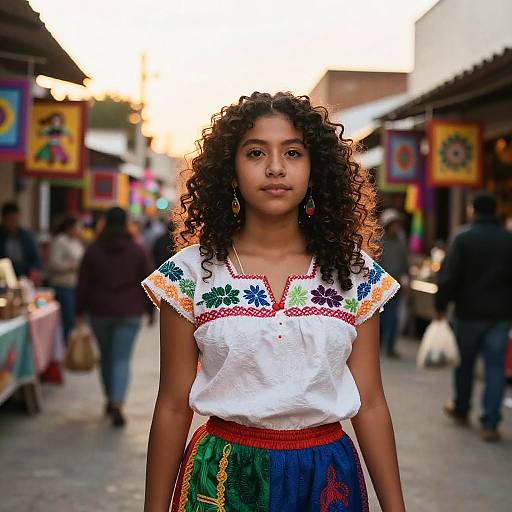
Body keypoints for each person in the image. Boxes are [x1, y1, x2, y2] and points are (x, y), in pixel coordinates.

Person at [142, 92, 406, 511]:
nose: (276, 167)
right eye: (255, 153)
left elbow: (370, 401)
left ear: (315, 168)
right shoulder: (191, 274)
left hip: (326, 479)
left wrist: (396, 508)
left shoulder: (353, 274)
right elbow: (173, 405)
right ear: (229, 169)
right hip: (224, 478)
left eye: (294, 152)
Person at [436, 191, 512, 442]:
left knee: (464, 364)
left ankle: (461, 407)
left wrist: (440, 306)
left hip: (467, 314)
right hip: (499, 316)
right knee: (495, 368)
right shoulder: (507, 239)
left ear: (474, 211)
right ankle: (490, 422)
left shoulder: (463, 237)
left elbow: (449, 276)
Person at [76, 207, 153, 427]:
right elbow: (148, 280)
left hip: (99, 310)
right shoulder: (137, 249)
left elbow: (84, 283)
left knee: (106, 357)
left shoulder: (93, 250)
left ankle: (110, 398)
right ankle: (117, 401)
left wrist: (78, 311)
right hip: (129, 311)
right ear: (126, 223)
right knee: (121, 358)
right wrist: (150, 311)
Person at [48, 215, 84, 342]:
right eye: (78, 226)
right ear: (70, 227)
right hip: (63, 285)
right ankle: (66, 347)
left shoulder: (76, 242)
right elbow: (54, 263)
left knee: (73, 319)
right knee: (67, 320)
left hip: (74, 285)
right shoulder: (60, 241)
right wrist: (72, 267)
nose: (80, 229)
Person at [378, 209, 409, 358]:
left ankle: (390, 347)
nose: (396, 228)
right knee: (379, 319)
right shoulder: (378, 241)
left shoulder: (401, 240)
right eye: (393, 225)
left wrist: (407, 278)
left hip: (395, 286)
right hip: (380, 286)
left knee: (393, 318)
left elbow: (404, 262)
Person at [0, 202, 41, 283]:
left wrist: (34, 270)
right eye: (9, 219)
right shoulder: (1, 237)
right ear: (3, 218)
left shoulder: (26, 236)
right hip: (5, 276)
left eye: (15, 219)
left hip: (25, 275)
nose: (12, 222)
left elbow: (35, 258)